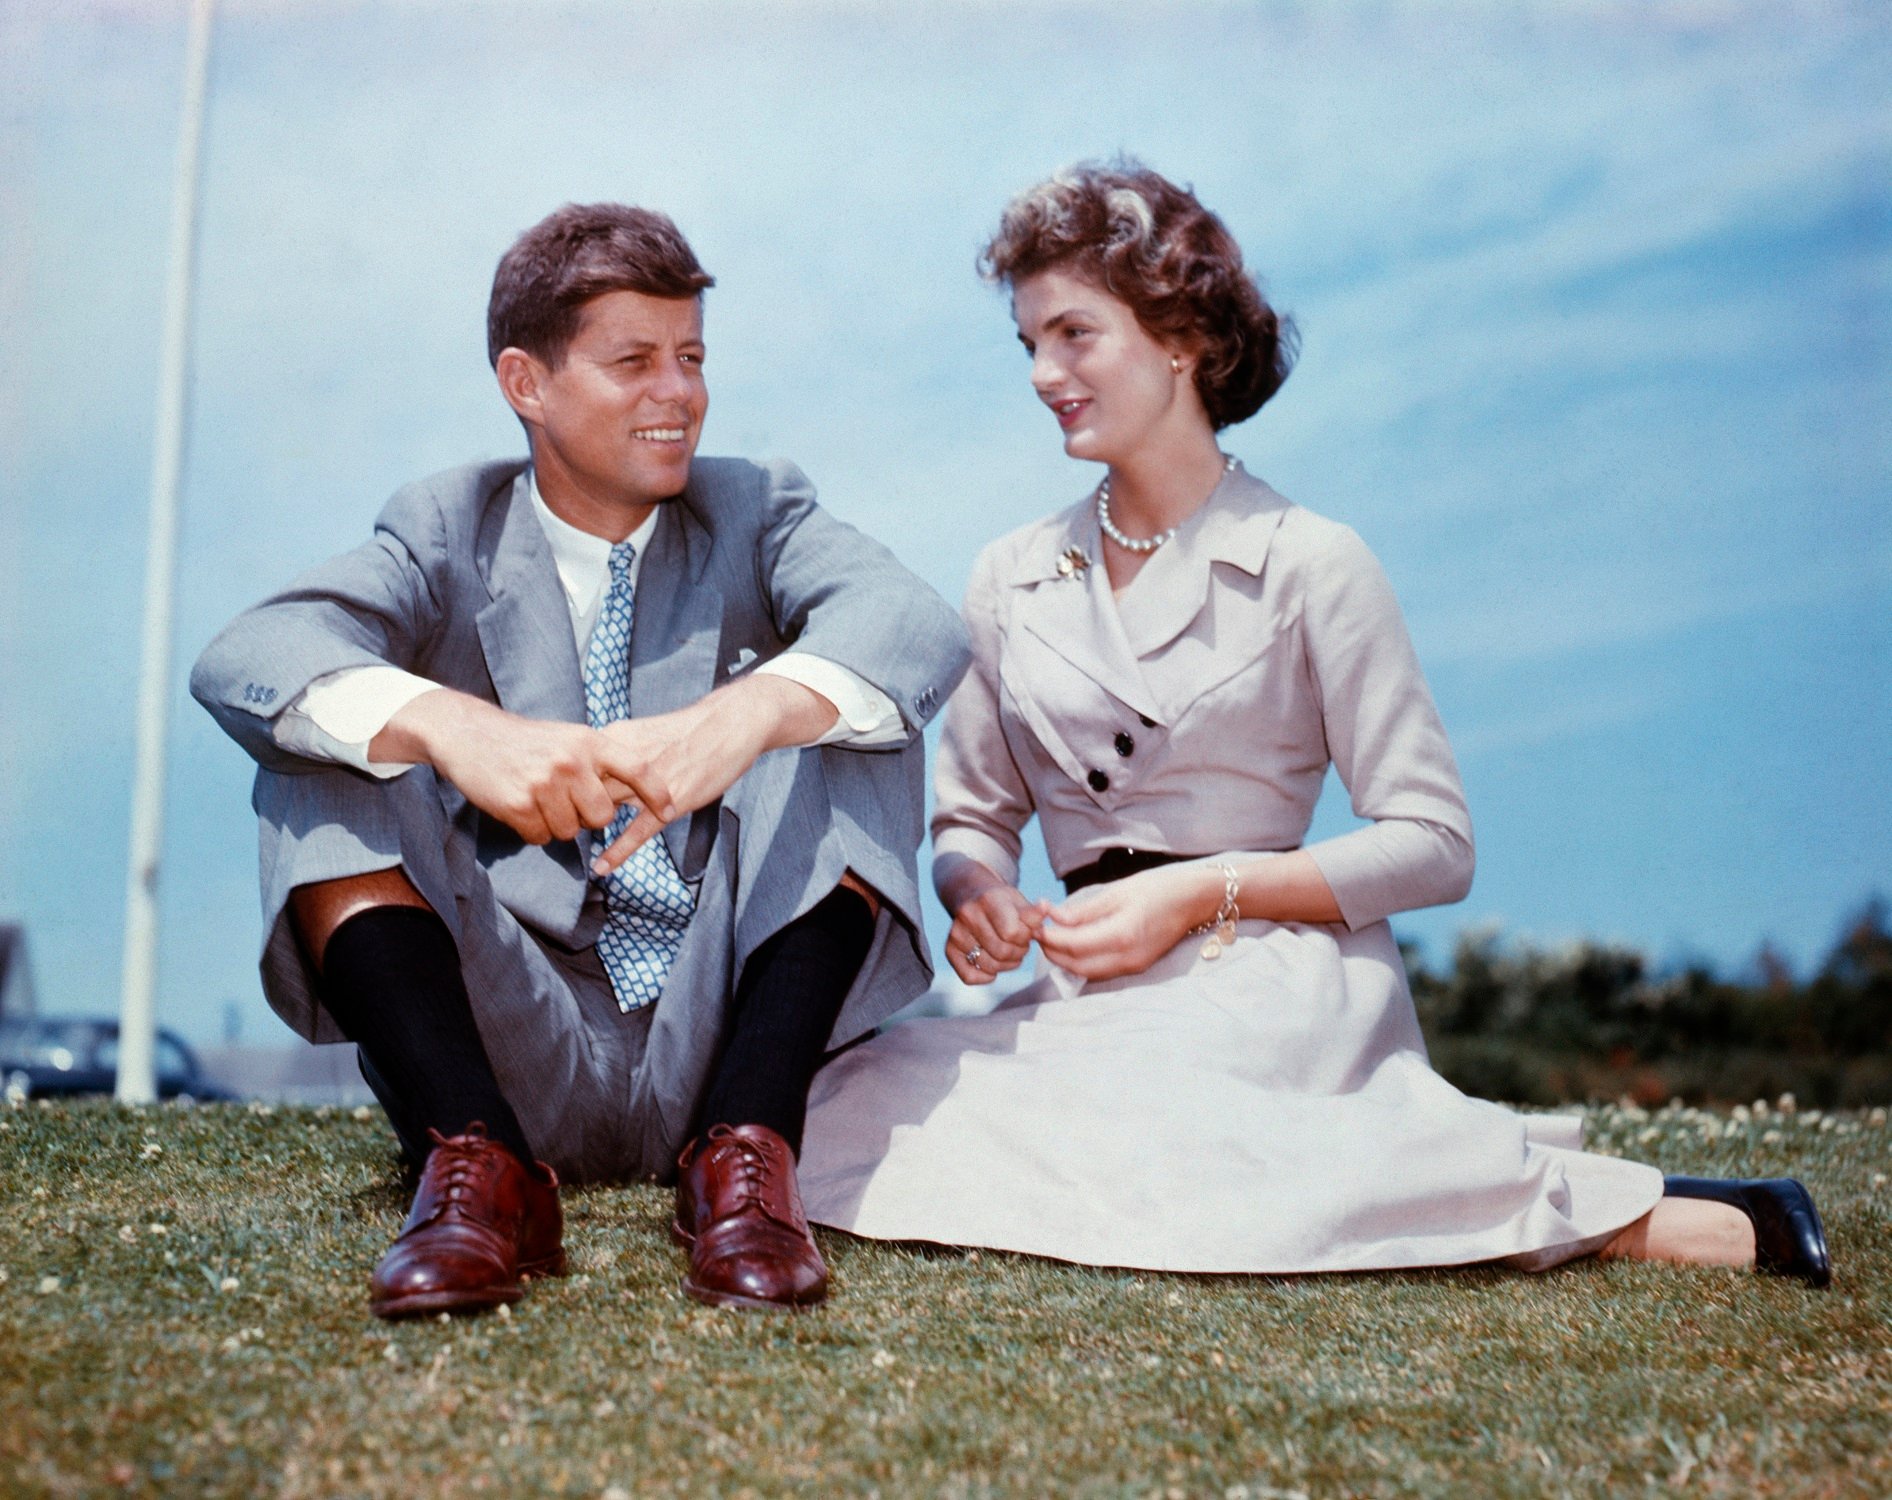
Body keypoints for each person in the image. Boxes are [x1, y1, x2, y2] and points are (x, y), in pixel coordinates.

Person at [796, 162, 1831, 1287]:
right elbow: (972, 818)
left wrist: (1196, 892)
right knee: (840, 1110)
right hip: (1081, 995)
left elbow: (1434, 842)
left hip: (1271, 976)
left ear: (1180, 334)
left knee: (1170, 1137)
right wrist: (978, 894)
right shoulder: (1008, 575)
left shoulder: (1313, 561)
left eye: (1073, 335)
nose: (1043, 374)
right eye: (1028, 344)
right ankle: (1426, 1165)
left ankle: (1664, 1220)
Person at [192, 203, 970, 1317]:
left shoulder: (756, 509)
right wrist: (454, 727)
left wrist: (746, 712)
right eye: (633, 361)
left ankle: (748, 1172)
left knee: (841, 704)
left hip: (722, 1035)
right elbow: (247, 655)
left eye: (692, 358)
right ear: (528, 382)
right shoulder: (440, 526)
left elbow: (913, 621)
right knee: (326, 732)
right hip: (513, 1036)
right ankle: (477, 1179)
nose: (680, 393)